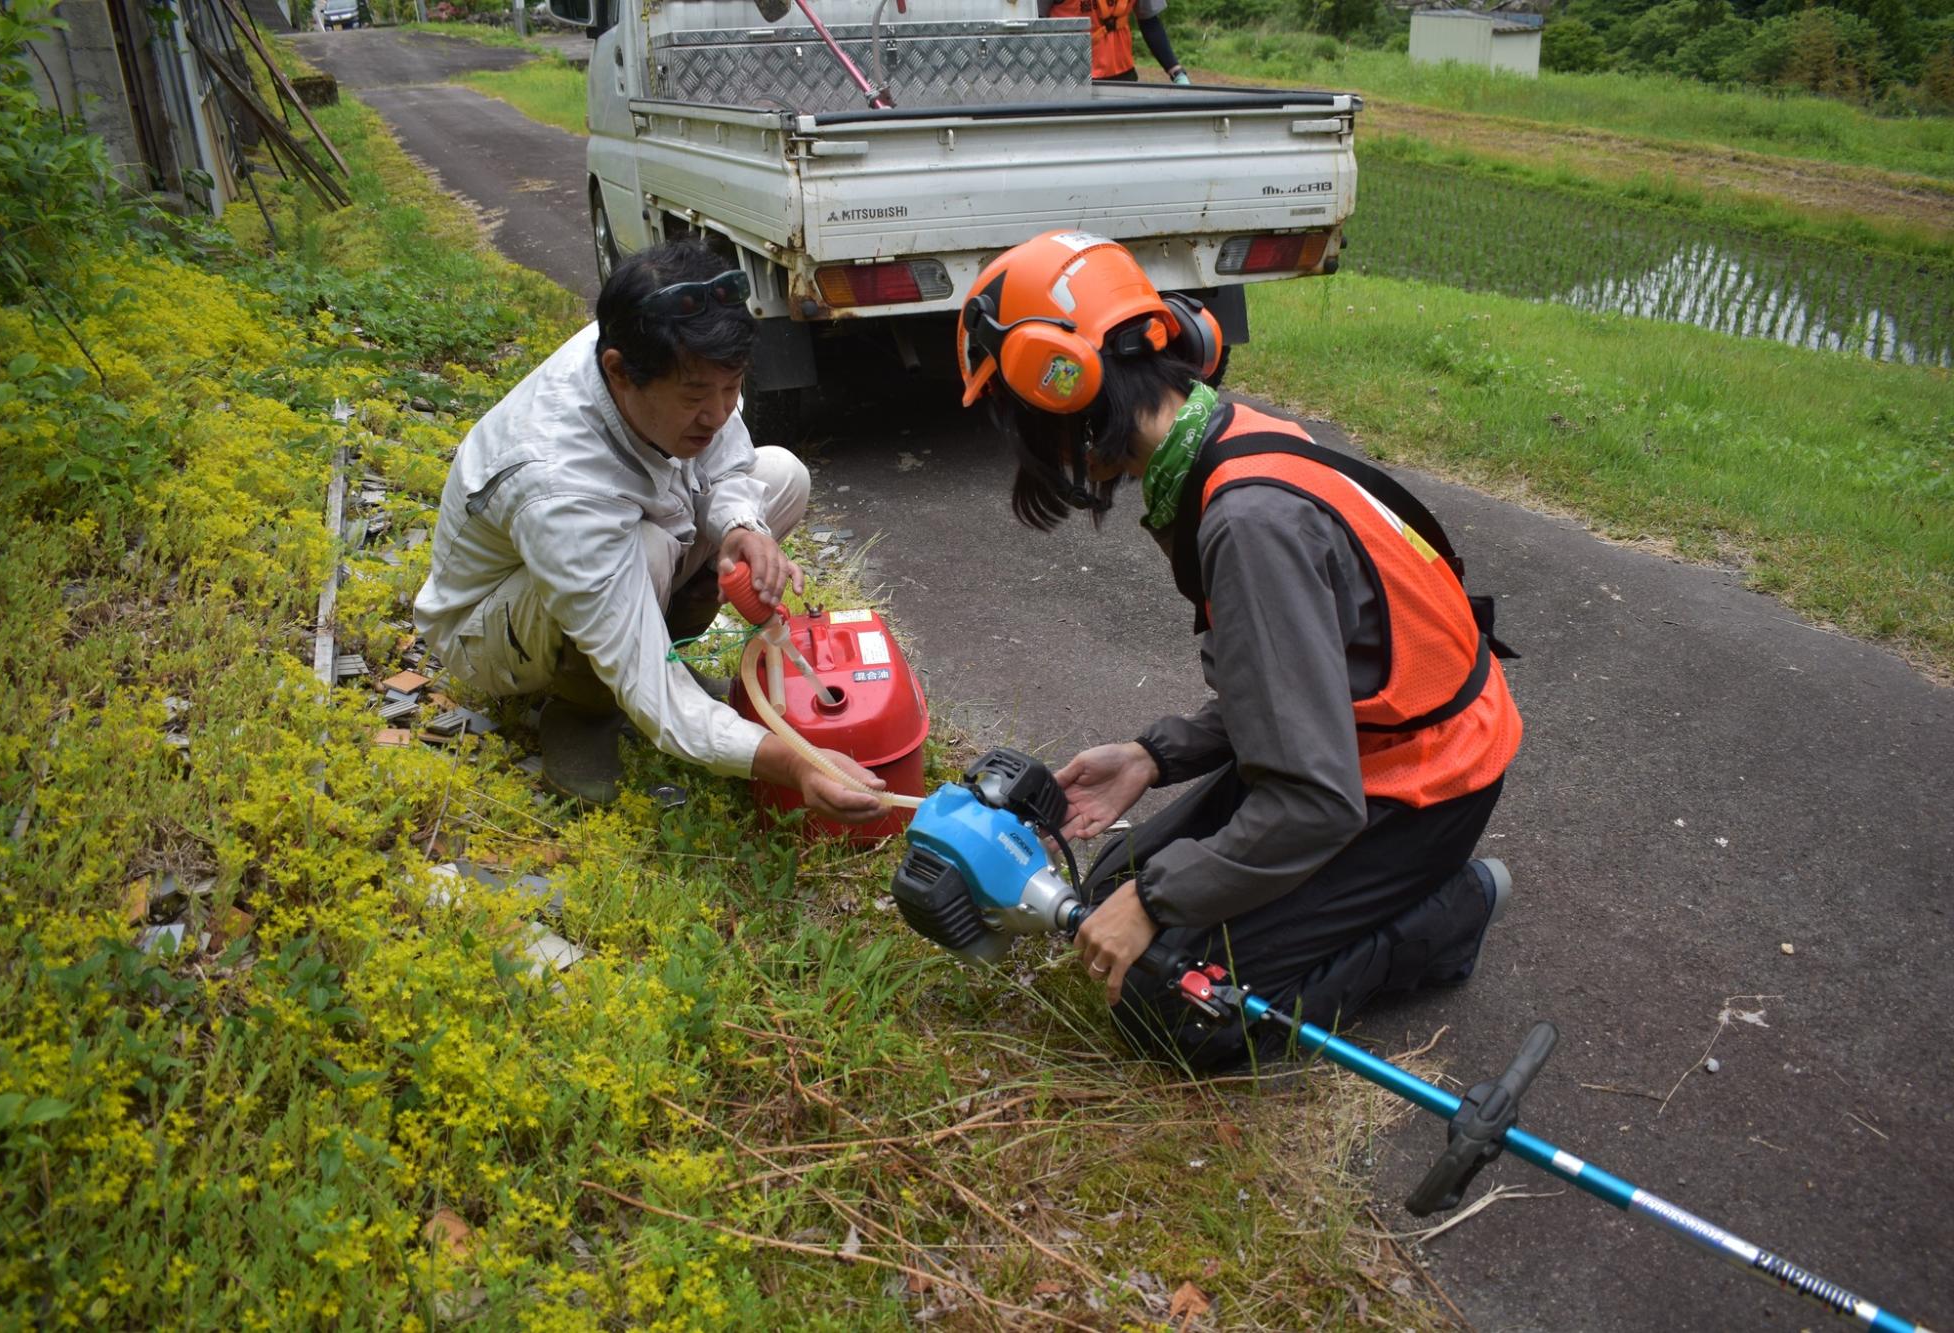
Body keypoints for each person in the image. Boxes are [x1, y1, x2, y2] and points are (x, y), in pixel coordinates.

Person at [957, 231, 1523, 1070]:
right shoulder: (1217, 437)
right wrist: (1155, 755)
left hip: (1423, 781)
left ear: (1058, 389)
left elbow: (1315, 801)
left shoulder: (1247, 521)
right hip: (1356, 747)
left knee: (1169, 1001)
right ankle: (1351, 899)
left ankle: (1446, 910)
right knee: (1104, 894)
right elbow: (1301, 679)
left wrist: (1158, 900)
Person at [414, 238, 884, 823]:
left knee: (781, 475)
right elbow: (654, 692)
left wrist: (741, 529)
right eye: (695, 397)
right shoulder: (559, 483)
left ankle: (657, 647)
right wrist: (795, 762)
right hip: (483, 628)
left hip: (616, 546)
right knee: (648, 546)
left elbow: (727, 459)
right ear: (618, 373)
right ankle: (584, 708)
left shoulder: (669, 349)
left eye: (732, 387)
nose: (716, 412)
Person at [1044, 0, 1191, 84]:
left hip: (1122, 73)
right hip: (1070, 76)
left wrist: (1175, 71)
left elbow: (1149, 21)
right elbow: (1033, 22)